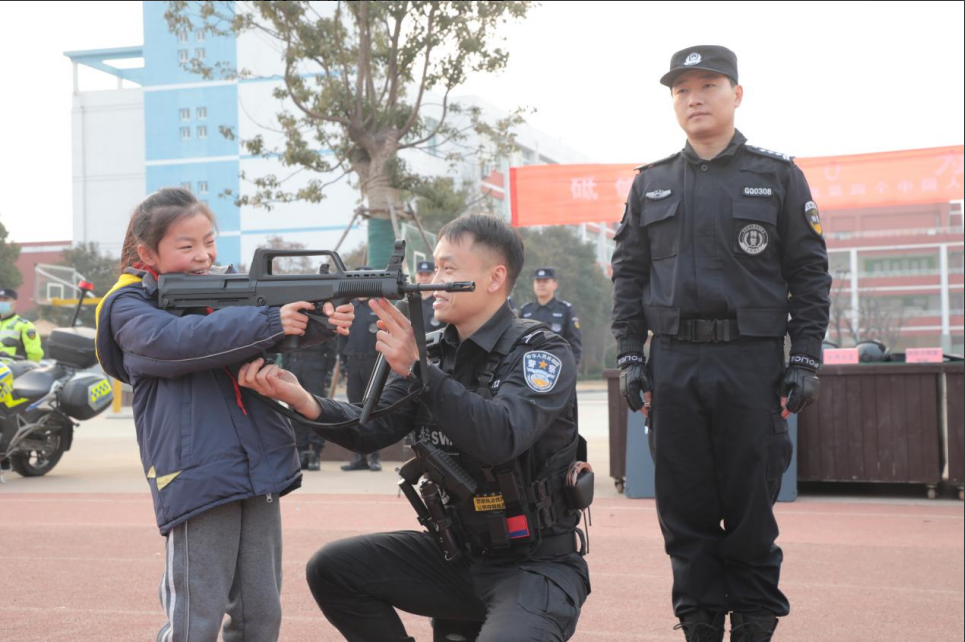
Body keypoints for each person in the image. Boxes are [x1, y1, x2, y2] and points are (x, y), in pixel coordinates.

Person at [238, 213, 590, 642]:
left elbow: (502, 437)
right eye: (435, 266)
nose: (435, 279)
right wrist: (302, 399)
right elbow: (369, 429)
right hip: (458, 555)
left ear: (495, 277)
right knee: (332, 570)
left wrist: (421, 371)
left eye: (449, 268)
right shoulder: (434, 354)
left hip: (535, 566)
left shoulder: (540, 352)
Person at [611, 46, 831, 642]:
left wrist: (805, 357)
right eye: (682, 90)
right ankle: (700, 624)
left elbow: (809, 274)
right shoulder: (650, 184)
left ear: (737, 94)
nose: (694, 98)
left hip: (751, 363)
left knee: (751, 507)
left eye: (708, 85)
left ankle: (755, 626)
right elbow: (628, 277)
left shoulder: (777, 175)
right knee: (683, 508)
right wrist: (631, 355)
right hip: (675, 362)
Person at [94, 187, 354, 642]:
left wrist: (319, 320)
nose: (203, 255)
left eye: (209, 242)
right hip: (197, 473)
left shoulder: (226, 288)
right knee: (195, 617)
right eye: (187, 245)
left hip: (256, 465)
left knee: (260, 614)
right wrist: (272, 321)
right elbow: (178, 341)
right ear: (146, 254)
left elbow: (269, 324)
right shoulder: (128, 305)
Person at [337, 285, 384, 472]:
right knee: (355, 409)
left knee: (374, 409)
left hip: (373, 363)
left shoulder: (378, 307)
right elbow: (341, 338)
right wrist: (343, 363)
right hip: (353, 364)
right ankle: (359, 456)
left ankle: (374, 457)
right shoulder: (349, 307)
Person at [281, 342, 337, 471]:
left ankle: (315, 453)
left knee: (316, 409)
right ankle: (302, 451)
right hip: (295, 366)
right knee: (295, 410)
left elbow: (332, 349)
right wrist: (286, 369)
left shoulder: (321, 322)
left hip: (316, 369)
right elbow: (285, 349)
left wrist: (328, 372)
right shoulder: (293, 322)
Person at [520, 268, 582, 366]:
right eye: (538, 281)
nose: (541, 284)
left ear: (555, 285)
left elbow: (574, 344)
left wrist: (571, 369)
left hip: (558, 367)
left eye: (545, 281)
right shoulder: (526, 311)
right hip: (529, 367)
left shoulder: (565, 310)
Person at [0, 288, 44, 362]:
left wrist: (29, 370)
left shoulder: (24, 325)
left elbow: (35, 353)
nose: (1, 303)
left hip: (15, 371)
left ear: (15, 303)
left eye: (5, 300)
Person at [415, 260, 443, 330]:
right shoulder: (408, 302)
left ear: (435, 275)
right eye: (421, 274)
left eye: (428, 274)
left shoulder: (442, 301)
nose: (424, 278)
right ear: (415, 276)